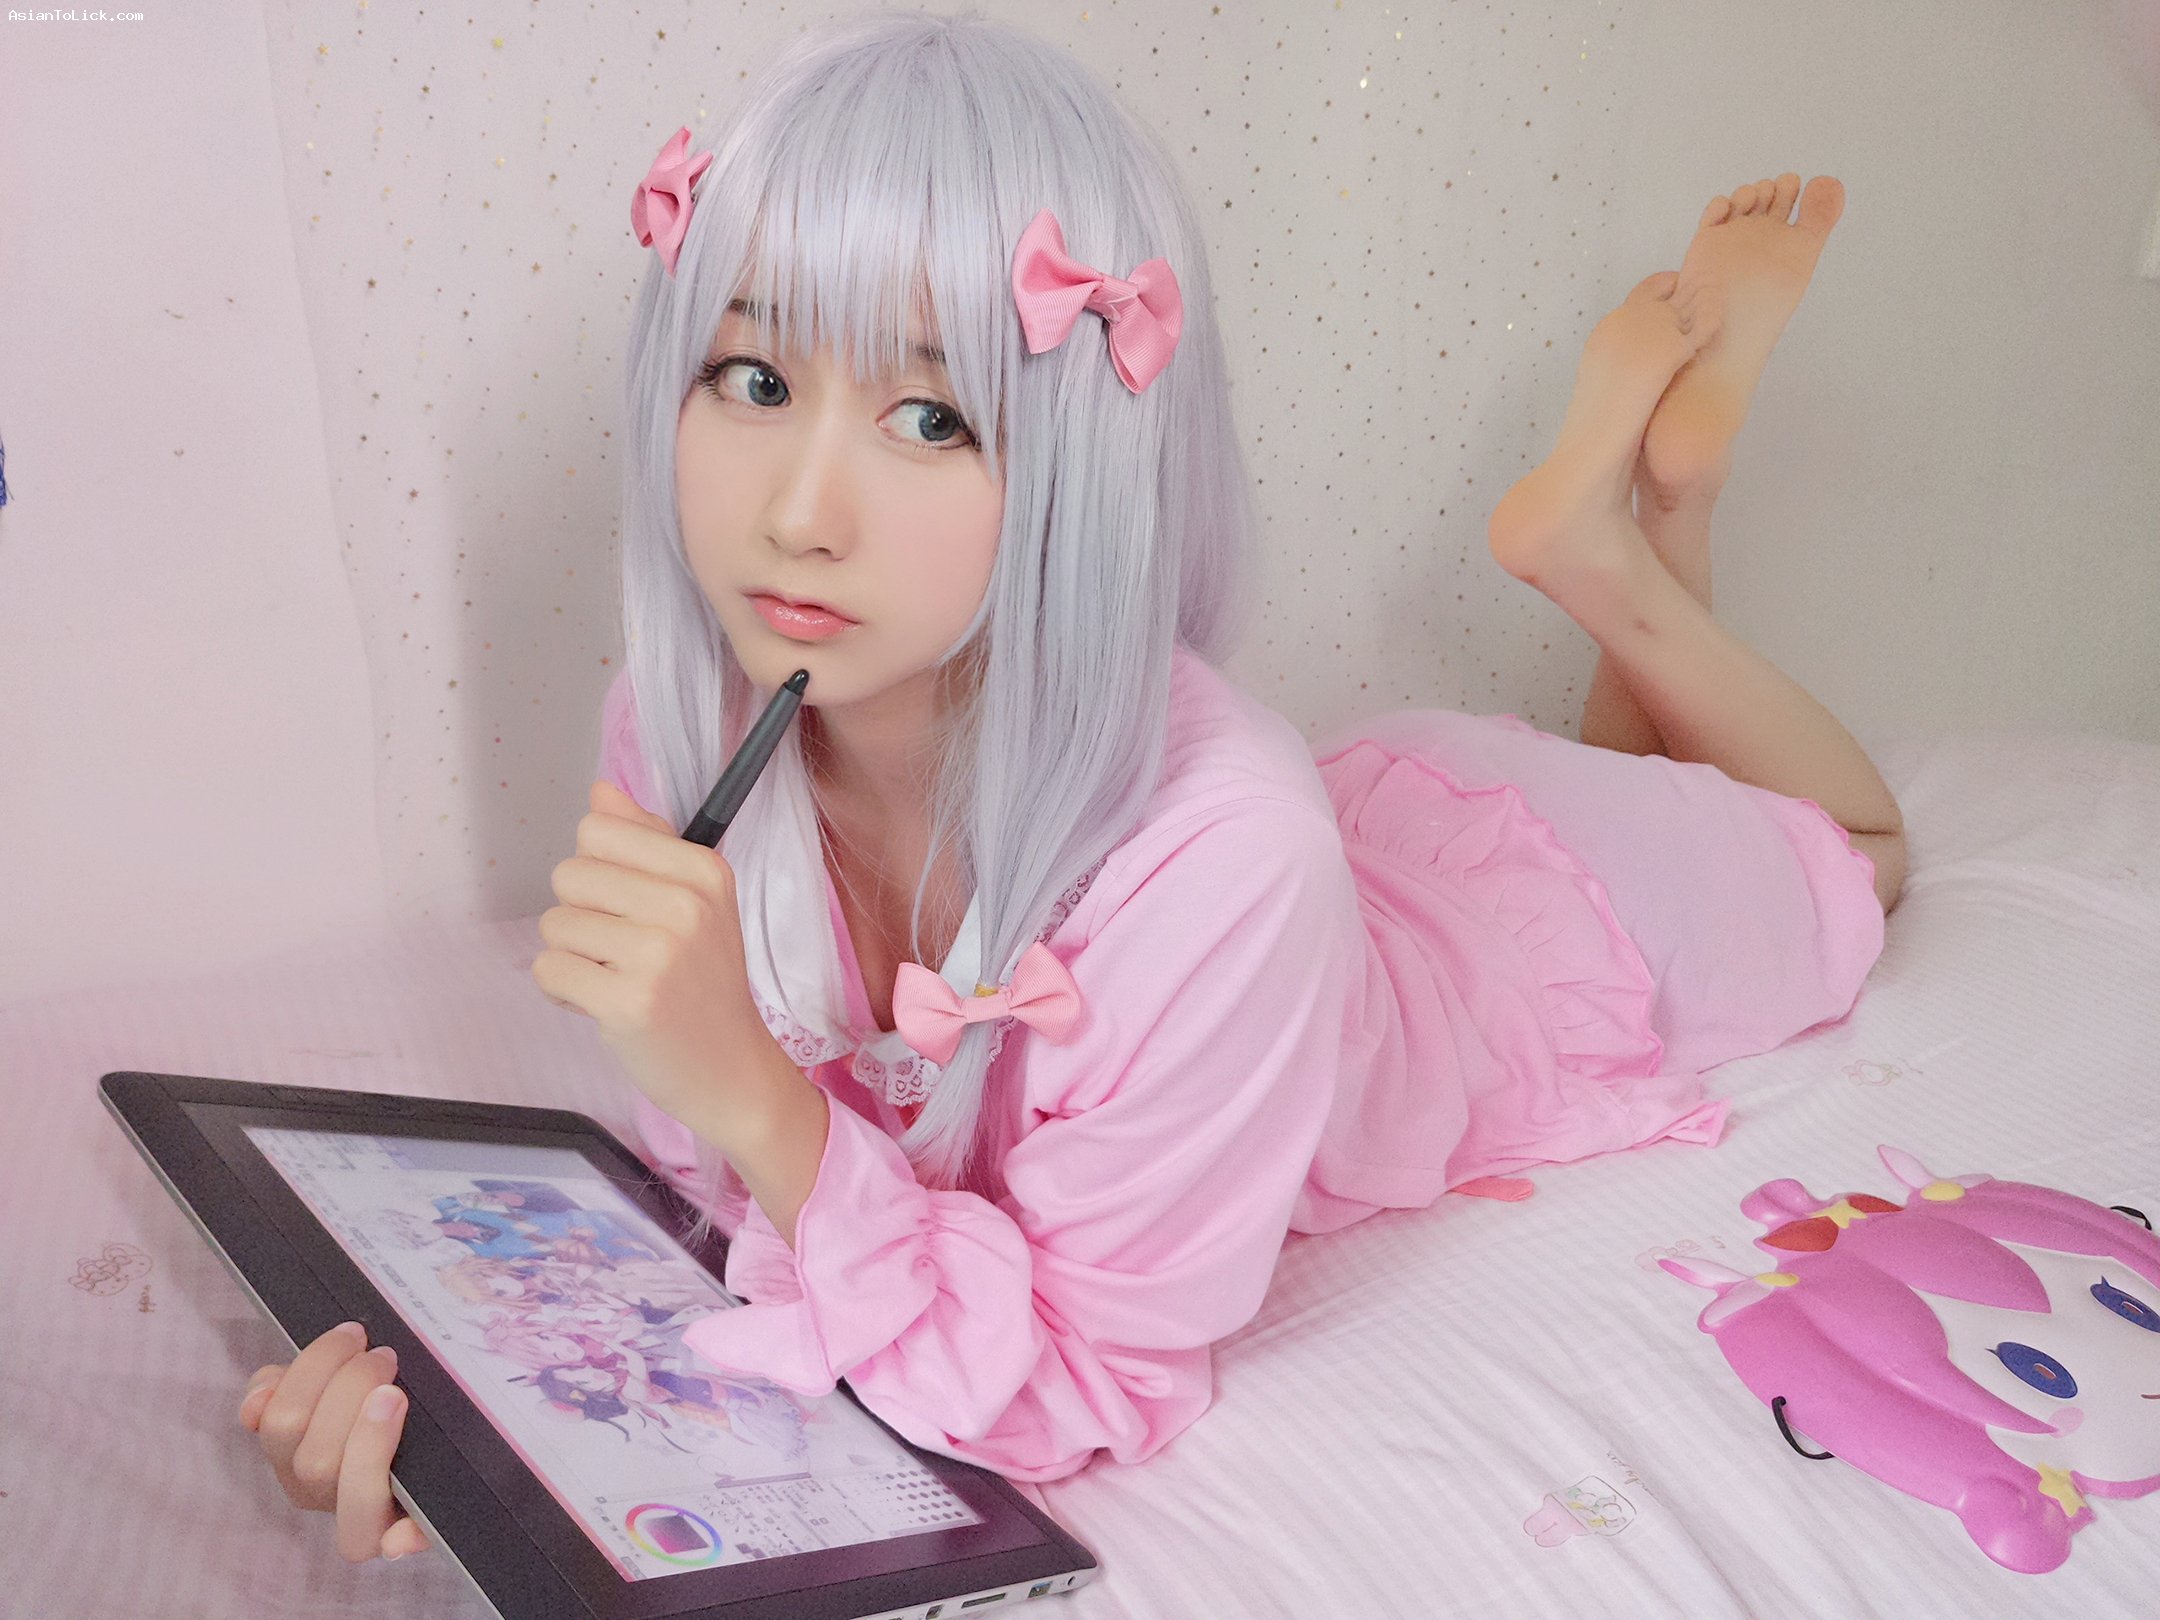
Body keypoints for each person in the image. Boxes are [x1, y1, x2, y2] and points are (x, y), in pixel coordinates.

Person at [236, 7, 1904, 1563]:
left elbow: (1084, 1373)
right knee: (1639, 763)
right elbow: (735, 1225)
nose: (799, 514)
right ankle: (1649, 517)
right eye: (755, 380)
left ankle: (1606, 558)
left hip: (1511, 938)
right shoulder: (682, 735)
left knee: (1859, 852)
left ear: (1082, 461)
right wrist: (463, 1426)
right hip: (1313, 888)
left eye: (929, 418)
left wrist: (750, 1083)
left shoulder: (1232, 860)